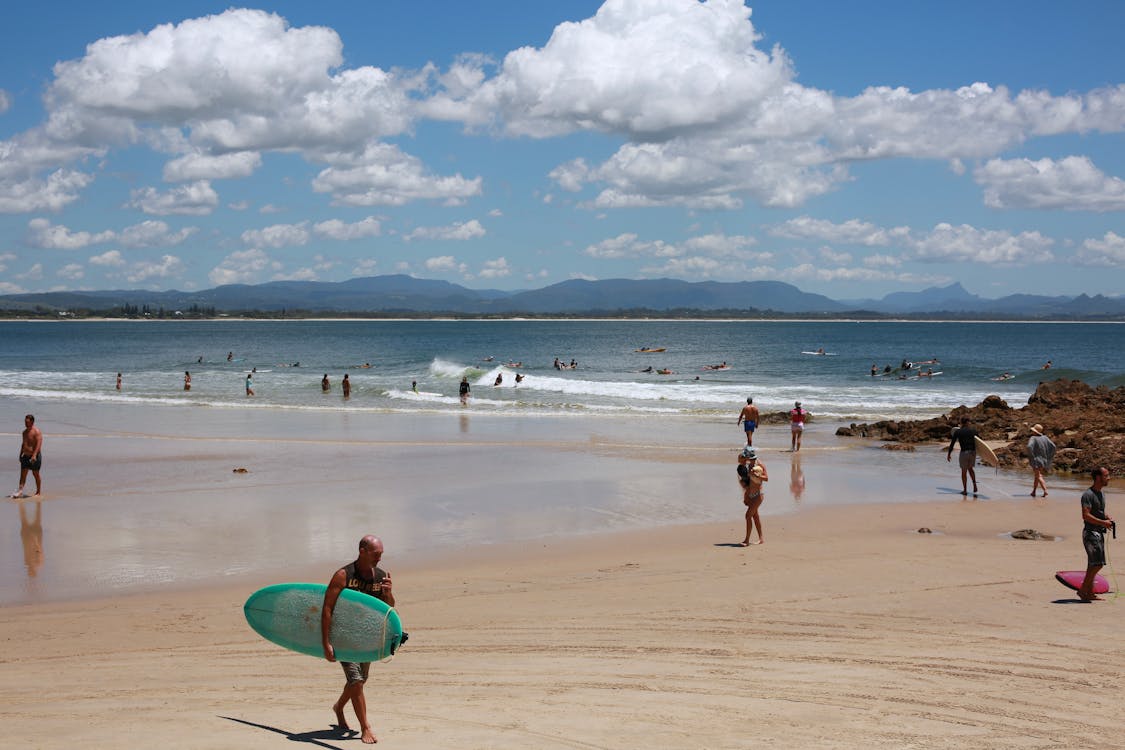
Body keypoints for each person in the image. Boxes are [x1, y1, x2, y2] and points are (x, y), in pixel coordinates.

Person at [322, 535, 395, 744]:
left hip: (366, 637)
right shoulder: (343, 576)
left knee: (360, 682)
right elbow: (327, 610)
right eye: (376, 554)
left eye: (381, 555)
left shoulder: (380, 576)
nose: (379, 559)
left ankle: (338, 707)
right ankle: (365, 727)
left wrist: (388, 593)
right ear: (362, 551)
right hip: (344, 636)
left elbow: (388, 608)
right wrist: (326, 642)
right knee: (356, 681)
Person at [1077, 467, 1114, 601]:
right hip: (1090, 533)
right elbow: (1085, 515)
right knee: (1097, 564)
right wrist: (1103, 523)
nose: (1109, 478)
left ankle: (1089, 593)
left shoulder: (1101, 494)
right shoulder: (1088, 494)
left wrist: (1106, 517)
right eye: (1106, 475)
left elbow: (1098, 512)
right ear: (1098, 478)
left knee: (1092, 564)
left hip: (1098, 532)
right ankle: (1083, 590)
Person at [736, 446, 768, 546]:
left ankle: (746, 540)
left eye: (747, 458)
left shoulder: (760, 465)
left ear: (750, 457)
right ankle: (761, 539)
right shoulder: (749, 466)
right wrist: (746, 496)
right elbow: (749, 485)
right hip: (750, 496)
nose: (746, 460)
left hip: (758, 495)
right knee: (755, 517)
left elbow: (766, 478)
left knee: (747, 516)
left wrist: (757, 476)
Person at [946, 417, 979, 496]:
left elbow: (952, 443)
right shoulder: (973, 431)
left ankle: (965, 490)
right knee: (970, 469)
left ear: (961, 423)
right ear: (967, 422)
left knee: (964, 471)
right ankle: (974, 484)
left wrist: (949, 454)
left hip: (964, 453)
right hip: (973, 452)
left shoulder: (958, 432)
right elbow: (979, 441)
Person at [14, 414, 44, 498]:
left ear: (32, 422)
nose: (25, 423)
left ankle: (38, 492)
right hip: (25, 456)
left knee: (35, 474)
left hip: (34, 457)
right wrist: (20, 454)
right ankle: (20, 491)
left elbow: (39, 444)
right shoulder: (24, 432)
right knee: (23, 474)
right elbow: (23, 444)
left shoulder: (36, 431)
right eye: (25, 421)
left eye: (27, 422)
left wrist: (34, 455)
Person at [1027, 423, 1057, 497]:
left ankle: (1045, 491)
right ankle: (1034, 491)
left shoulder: (1033, 438)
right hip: (1044, 460)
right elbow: (1053, 446)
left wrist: (1032, 455)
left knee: (1039, 476)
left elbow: (1029, 446)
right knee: (1037, 476)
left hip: (1036, 460)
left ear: (1034, 431)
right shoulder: (1045, 438)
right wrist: (1049, 456)